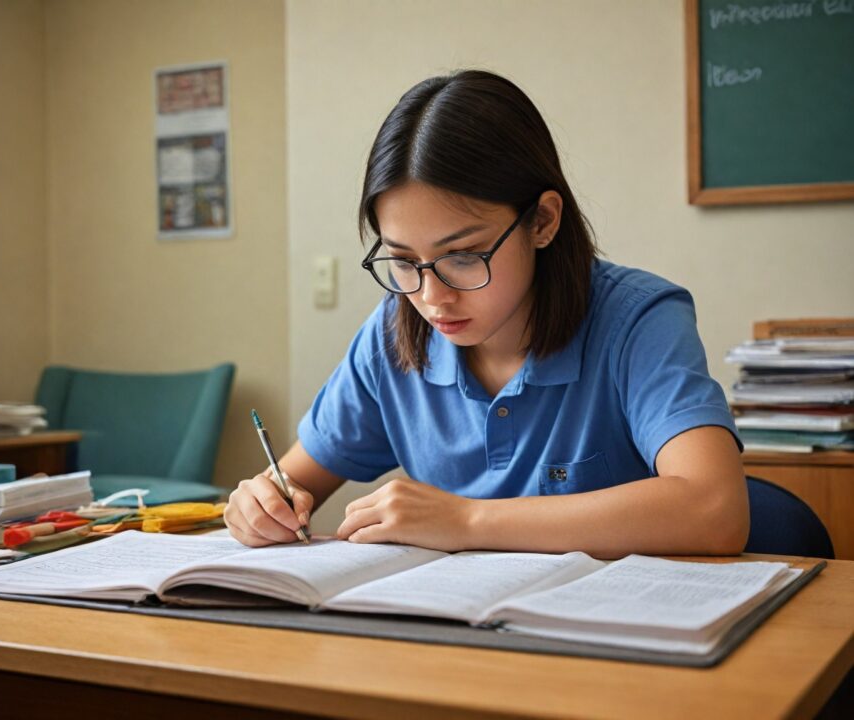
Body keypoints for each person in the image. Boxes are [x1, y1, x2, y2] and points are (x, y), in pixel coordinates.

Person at [226, 70, 749, 558]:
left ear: (542, 221)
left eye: (462, 256)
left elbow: (715, 509)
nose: (432, 297)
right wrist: (263, 504)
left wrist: (469, 522)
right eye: (404, 261)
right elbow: (292, 481)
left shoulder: (638, 321)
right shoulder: (391, 335)